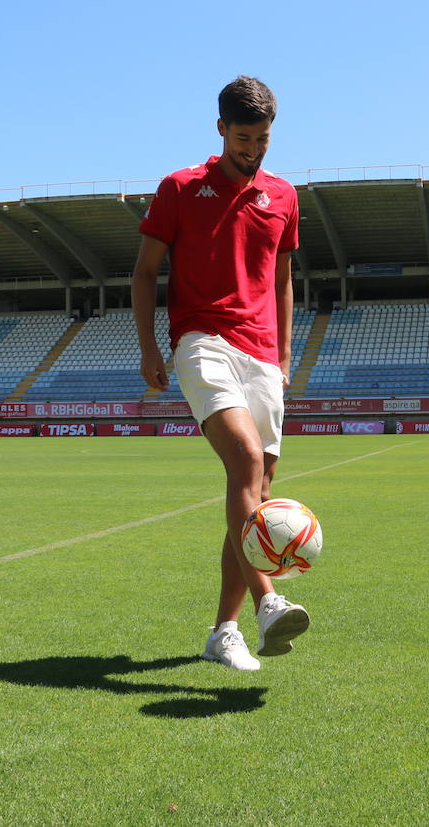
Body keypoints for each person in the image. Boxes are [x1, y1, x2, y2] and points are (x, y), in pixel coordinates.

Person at [132, 75, 308, 671]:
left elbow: (283, 278)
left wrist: (283, 355)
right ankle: (269, 601)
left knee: (257, 496)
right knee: (247, 463)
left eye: (262, 139)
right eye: (243, 138)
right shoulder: (180, 188)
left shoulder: (283, 196)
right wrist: (149, 347)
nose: (253, 150)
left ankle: (223, 632)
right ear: (220, 129)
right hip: (201, 339)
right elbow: (144, 272)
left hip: (262, 354)